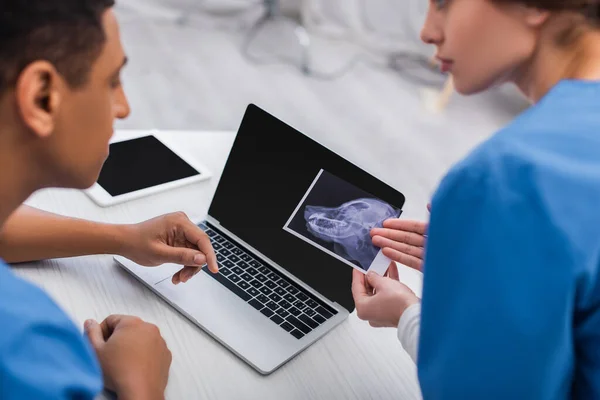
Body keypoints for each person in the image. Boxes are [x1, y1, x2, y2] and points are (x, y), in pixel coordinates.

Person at [352, 0, 600, 399]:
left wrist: (408, 317)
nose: (428, 32)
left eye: (444, 4)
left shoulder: (509, 179)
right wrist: (494, 263)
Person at [0, 1, 215, 398]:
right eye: (112, 81)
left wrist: (123, 237)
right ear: (43, 96)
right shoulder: (24, 346)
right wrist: (141, 384)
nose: (123, 107)